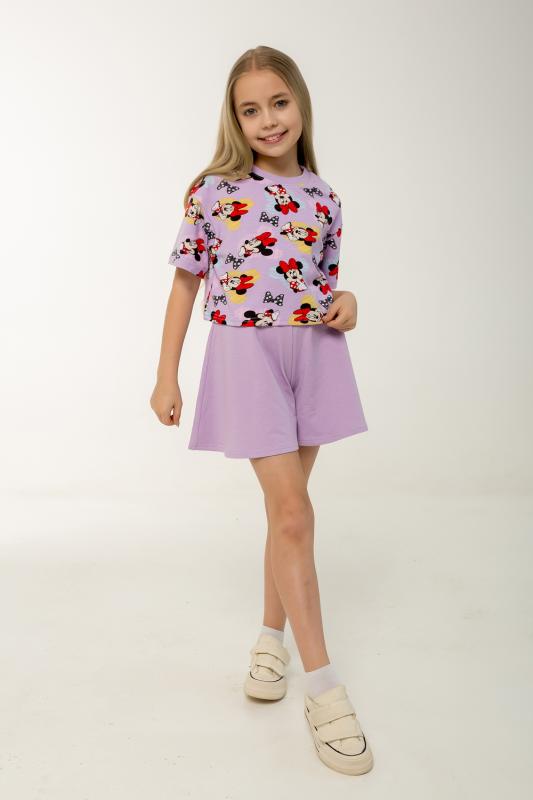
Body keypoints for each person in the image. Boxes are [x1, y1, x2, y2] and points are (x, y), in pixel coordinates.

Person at [150, 45, 373, 776]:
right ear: (235, 120)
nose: (268, 119)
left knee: (287, 515)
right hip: (245, 355)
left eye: (278, 102)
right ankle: (325, 690)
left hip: (314, 354)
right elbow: (186, 283)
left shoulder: (325, 196)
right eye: (251, 110)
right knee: (295, 513)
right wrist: (166, 375)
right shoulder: (213, 191)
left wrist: (347, 302)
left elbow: (323, 285)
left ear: (299, 102)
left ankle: (269, 641)